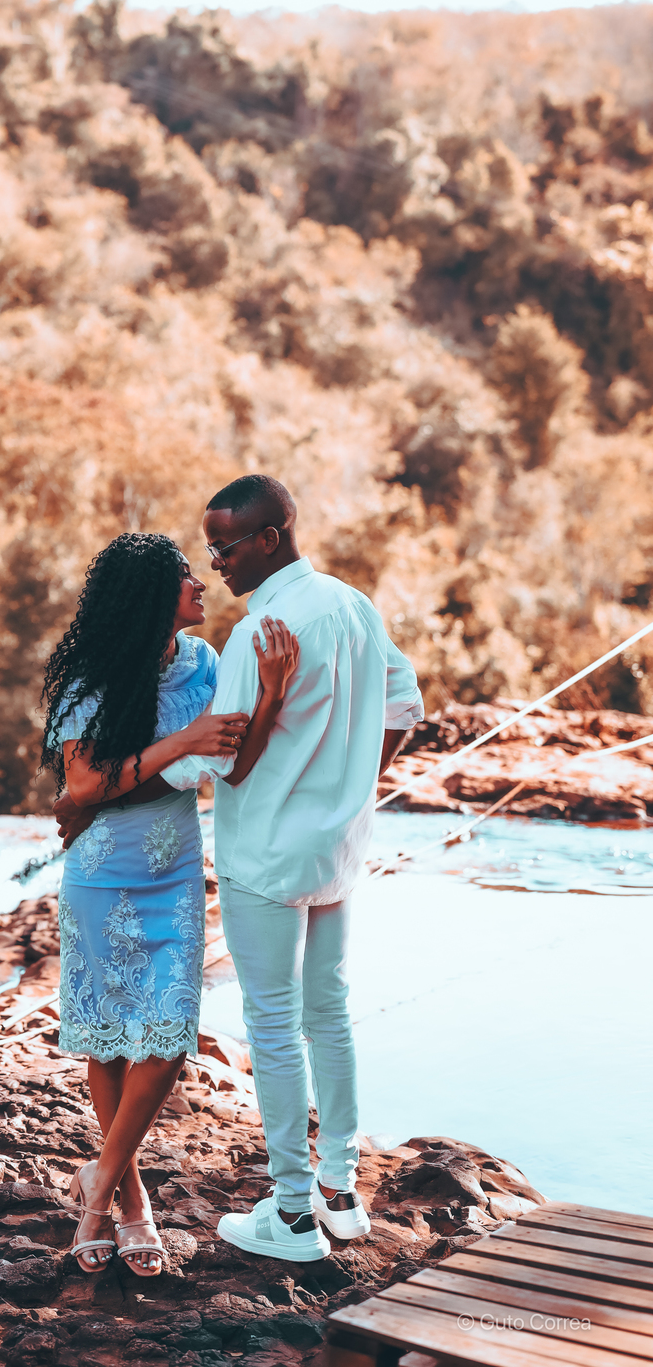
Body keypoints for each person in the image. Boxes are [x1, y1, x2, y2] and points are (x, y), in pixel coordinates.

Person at [43, 531, 299, 1276]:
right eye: (185, 576)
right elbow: (86, 784)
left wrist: (271, 693)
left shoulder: (204, 663)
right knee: (108, 1041)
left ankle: (97, 1184)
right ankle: (129, 1204)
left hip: (175, 870)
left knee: (168, 1038)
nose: (201, 583)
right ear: (150, 597)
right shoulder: (89, 678)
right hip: (101, 875)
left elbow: (231, 764)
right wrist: (179, 742)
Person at [196, 473, 424, 1262]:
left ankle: (292, 1213)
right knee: (328, 1013)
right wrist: (353, 789)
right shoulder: (354, 606)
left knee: (272, 1023)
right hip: (338, 848)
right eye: (210, 549)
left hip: (265, 850)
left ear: (269, 537)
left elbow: (223, 760)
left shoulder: (258, 633)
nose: (216, 562)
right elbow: (405, 704)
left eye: (224, 546)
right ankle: (340, 1193)